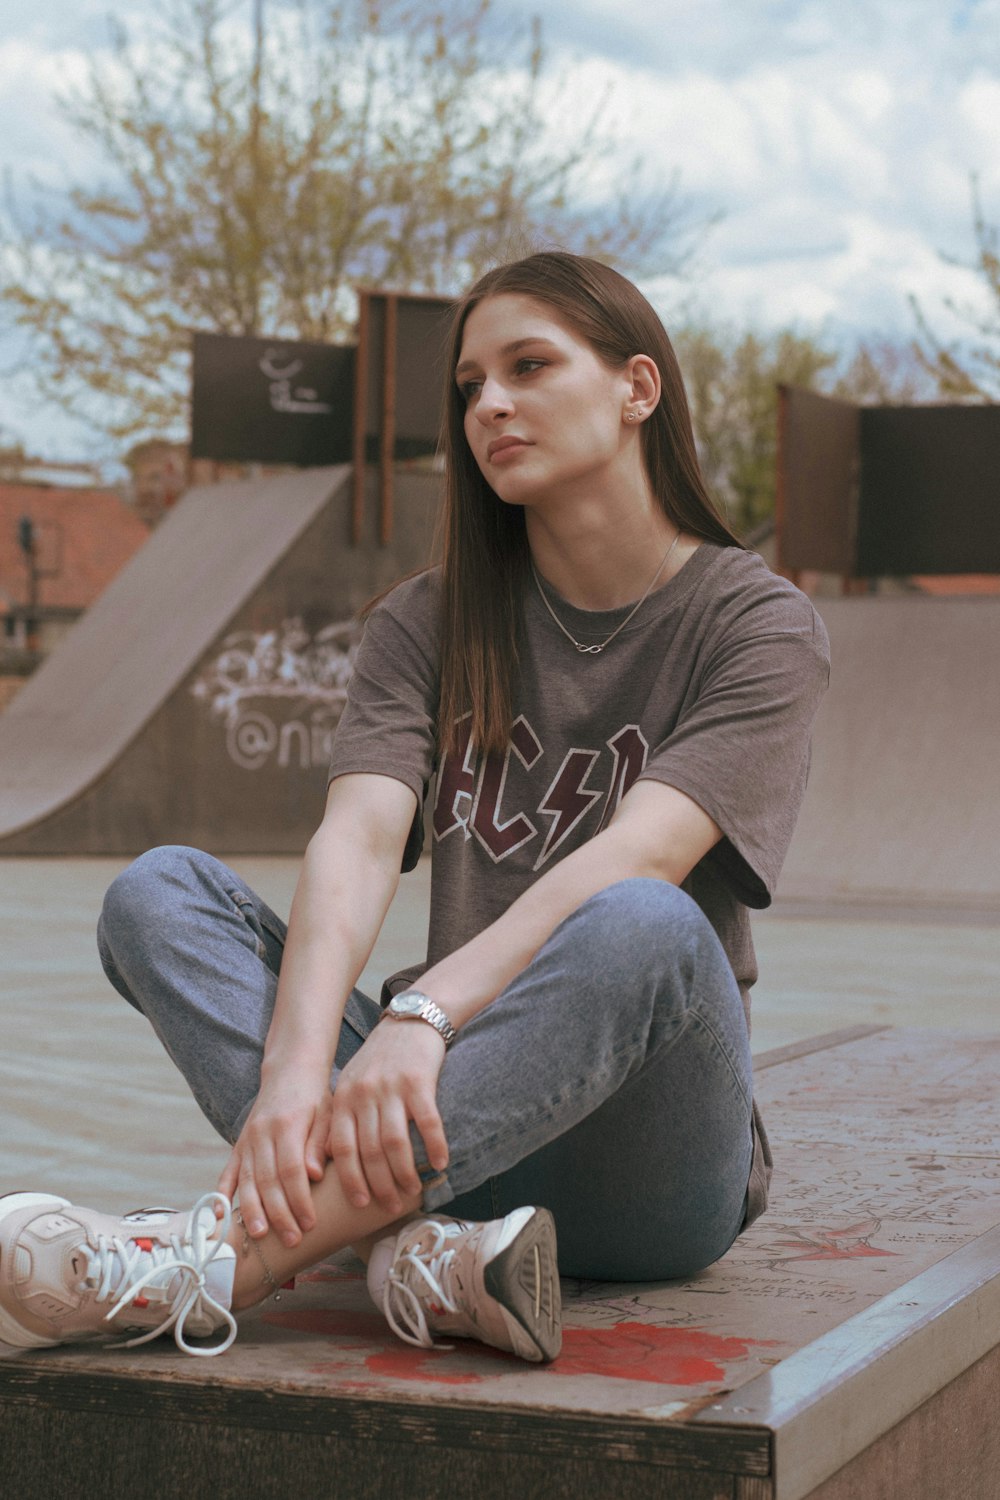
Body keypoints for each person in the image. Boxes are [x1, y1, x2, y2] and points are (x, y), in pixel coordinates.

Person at [0, 252, 830, 1365]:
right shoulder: (427, 621)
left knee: (648, 921)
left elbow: (643, 850)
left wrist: (419, 1016)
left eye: (529, 366)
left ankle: (206, 1267)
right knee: (157, 894)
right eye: (469, 386)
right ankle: (421, 1252)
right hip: (426, 1112)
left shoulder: (753, 624)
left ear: (638, 389)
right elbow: (357, 833)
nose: (489, 404)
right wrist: (297, 1069)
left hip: (647, 1165)